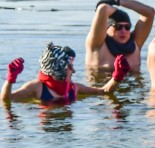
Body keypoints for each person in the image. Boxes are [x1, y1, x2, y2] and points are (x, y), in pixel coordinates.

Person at [2, 42, 130, 103]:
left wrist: (117, 76)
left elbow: (104, 92)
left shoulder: (74, 88)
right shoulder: (37, 87)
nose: (73, 71)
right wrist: (10, 79)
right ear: (59, 69)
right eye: (70, 67)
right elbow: (6, 99)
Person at [85, 0, 155, 70]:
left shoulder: (136, 43)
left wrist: (117, 1)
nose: (123, 31)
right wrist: (118, 13)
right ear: (107, 28)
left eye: (127, 27)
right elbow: (103, 8)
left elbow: (150, 12)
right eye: (118, 27)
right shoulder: (97, 45)